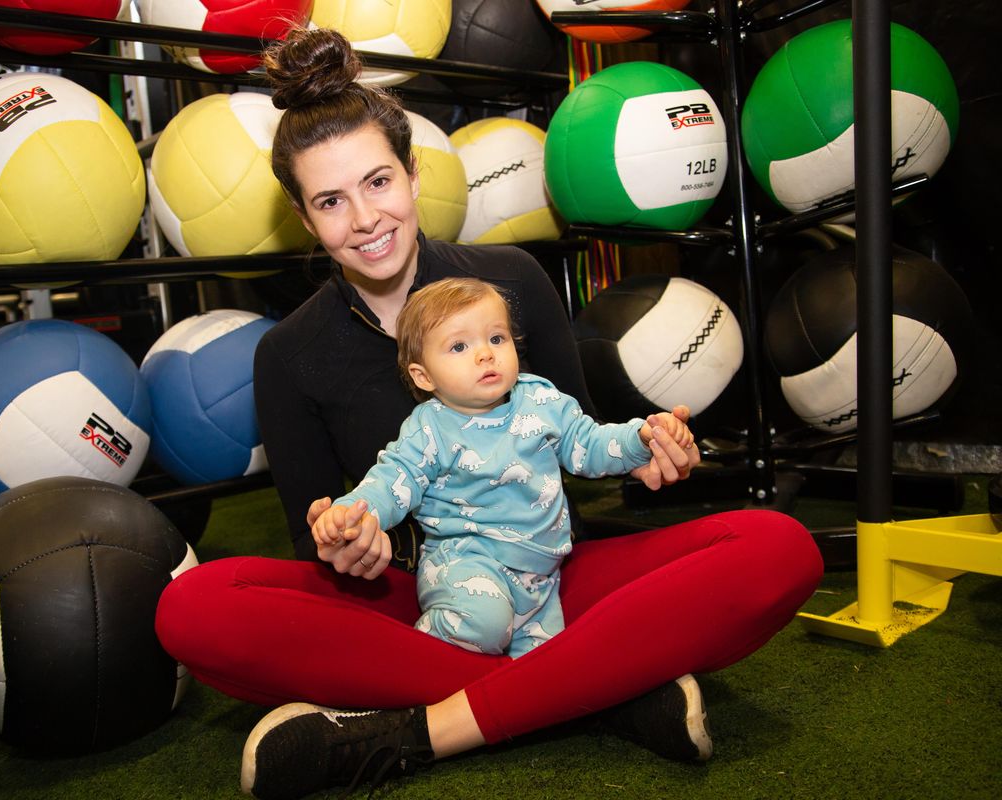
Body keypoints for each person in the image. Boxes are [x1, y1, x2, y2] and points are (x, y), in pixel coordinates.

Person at [153, 26, 824, 800]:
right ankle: (600, 685)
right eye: (331, 201)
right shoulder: (288, 353)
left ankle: (418, 732)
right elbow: (315, 542)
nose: (366, 219)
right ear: (306, 220)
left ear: (411, 173)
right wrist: (349, 540)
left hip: (548, 568)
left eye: (378, 182)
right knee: (193, 608)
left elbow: (581, 449)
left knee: (778, 548)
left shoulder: (512, 281)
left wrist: (651, 445)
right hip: (416, 594)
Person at [312, 277, 693, 658]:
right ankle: (414, 655)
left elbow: (589, 444)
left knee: (547, 672)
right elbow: (392, 479)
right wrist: (351, 513)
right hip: (465, 563)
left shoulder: (541, 400)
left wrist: (643, 438)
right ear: (423, 376)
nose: (485, 354)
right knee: (484, 624)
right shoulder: (429, 429)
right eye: (459, 346)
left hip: (541, 578)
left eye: (496, 338)